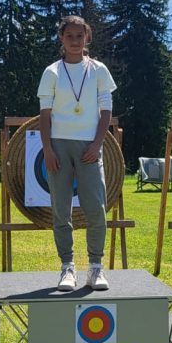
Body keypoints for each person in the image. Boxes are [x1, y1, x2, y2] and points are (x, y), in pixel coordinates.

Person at [37, 15, 117, 291]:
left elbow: (106, 112)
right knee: (61, 210)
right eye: (69, 36)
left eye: (79, 36)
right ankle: (67, 268)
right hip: (58, 147)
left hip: (89, 148)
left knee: (96, 208)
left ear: (87, 38)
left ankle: (95, 267)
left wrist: (96, 144)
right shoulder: (51, 72)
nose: (74, 41)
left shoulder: (99, 70)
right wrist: (48, 149)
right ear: (61, 38)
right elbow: (44, 115)